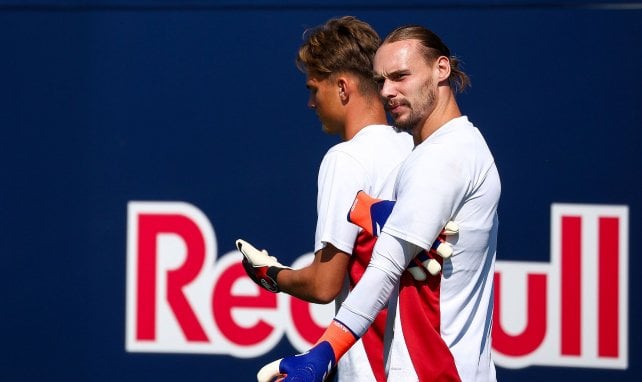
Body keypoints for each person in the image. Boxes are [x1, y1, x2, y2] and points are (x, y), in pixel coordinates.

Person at [257, 24, 501, 382]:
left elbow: (384, 269)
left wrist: (322, 354)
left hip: (431, 372)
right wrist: (369, 212)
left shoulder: (441, 157)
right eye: (381, 80)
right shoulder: (449, 147)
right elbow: (417, 228)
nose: (388, 91)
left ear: (441, 69)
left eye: (401, 76)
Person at [235, 16, 441, 382]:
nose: (311, 103)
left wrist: (270, 275)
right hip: (424, 364)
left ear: (343, 88)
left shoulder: (345, 159)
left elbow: (324, 283)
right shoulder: (416, 148)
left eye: (314, 88)